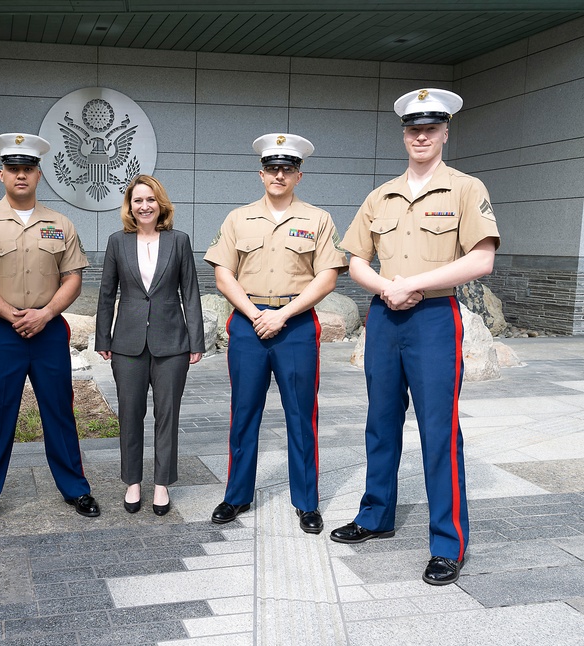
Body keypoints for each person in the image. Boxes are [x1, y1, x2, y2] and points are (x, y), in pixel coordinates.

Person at [330, 89, 499, 586]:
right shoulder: (379, 196)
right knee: (380, 423)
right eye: (412, 129)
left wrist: (413, 285)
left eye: (431, 128)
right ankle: (376, 515)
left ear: (446, 132)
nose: (421, 135)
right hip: (384, 318)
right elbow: (355, 259)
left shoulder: (466, 189)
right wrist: (387, 287)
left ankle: (448, 543)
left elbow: (481, 259)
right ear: (403, 134)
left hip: (433, 319)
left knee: (439, 433)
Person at [0, 132, 99, 531]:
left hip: (49, 330)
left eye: (29, 169)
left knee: (59, 411)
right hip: (3, 333)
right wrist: (13, 314)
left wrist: (46, 313)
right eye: (14, 169)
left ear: (39, 174)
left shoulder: (60, 223)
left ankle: (75, 488)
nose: (21, 175)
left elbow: (72, 278)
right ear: (1, 174)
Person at [204, 133, 347, 533]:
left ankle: (307, 501)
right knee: (243, 413)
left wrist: (282, 315)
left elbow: (327, 277)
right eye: (272, 168)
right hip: (249, 323)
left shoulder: (318, 219)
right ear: (261, 173)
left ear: (299, 175)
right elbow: (223, 273)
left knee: (302, 416)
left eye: (287, 169)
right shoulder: (238, 218)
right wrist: (254, 313)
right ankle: (236, 496)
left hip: (296, 324)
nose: (279, 175)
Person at [95, 175, 204, 516]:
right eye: (138, 200)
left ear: (161, 205)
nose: (144, 206)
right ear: (130, 206)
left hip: (171, 342)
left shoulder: (179, 241)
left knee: (167, 415)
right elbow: (106, 293)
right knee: (130, 414)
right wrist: (103, 337)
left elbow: (190, 292)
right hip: (126, 343)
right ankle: (132, 481)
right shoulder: (117, 242)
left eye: (150, 200)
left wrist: (196, 339)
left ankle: (160, 485)